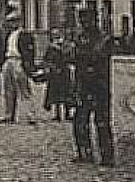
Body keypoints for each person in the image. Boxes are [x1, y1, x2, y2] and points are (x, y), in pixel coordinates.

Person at [72, 9, 116, 166]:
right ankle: (85, 152)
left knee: (102, 122)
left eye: (87, 20)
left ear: (95, 20)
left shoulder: (104, 39)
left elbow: (97, 56)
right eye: (82, 20)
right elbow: (72, 55)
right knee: (80, 121)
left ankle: (107, 155)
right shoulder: (80, 38)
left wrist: (84, 56)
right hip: (83, 85)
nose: (84, 23)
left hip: (99, 86)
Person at [0, 8, 39, 124]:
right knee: (8, 90)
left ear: (19, 22)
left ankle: (30, 115)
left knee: (24, 90)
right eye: (10, 21)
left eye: (14, 21)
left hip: (18, 61)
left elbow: (30, 52)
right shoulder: (8, 35)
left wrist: (28, 65)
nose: (11, 24)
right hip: (8, 61)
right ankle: (9, 114)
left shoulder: (25, 35)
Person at [41, 31, 73, 121]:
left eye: (58, 35)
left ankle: (68, 113)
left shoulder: (67, 46)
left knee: (67, 93)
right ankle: (57, 114)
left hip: (65, 72)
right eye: (54, 35)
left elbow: (70, 57)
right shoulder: (51, 48)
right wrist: (49, 67)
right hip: (54, 74)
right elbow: (46, 60)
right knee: (55, 95)